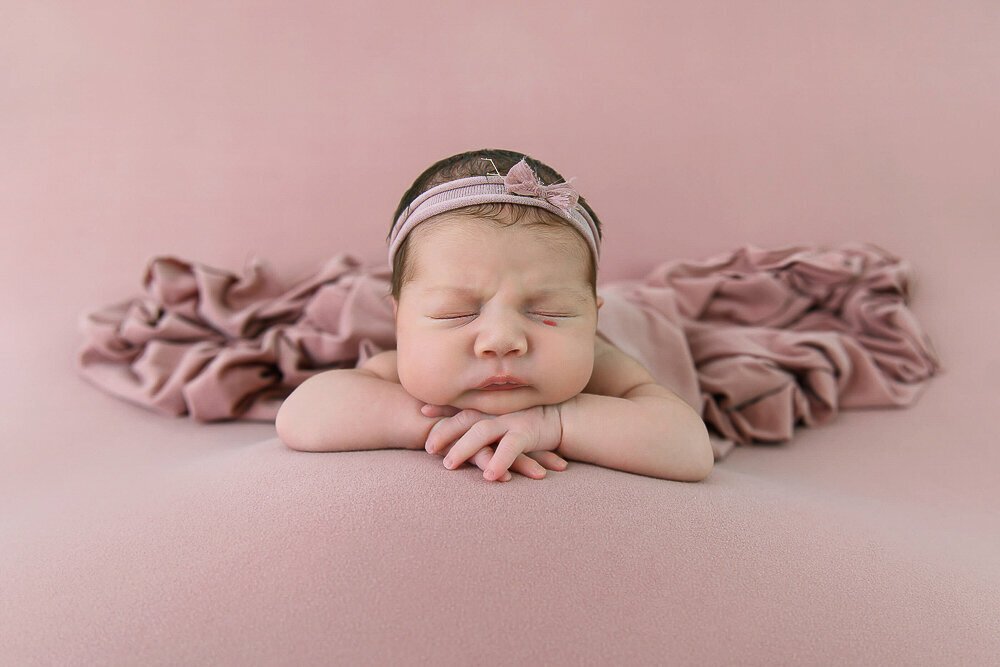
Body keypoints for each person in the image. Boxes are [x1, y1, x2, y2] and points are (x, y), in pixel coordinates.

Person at [275, 149, 713, 482]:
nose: (502, 340)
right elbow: (301, 415)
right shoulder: (403, 370)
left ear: (593, 320)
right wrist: (443, 425)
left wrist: (555, 422)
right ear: (399, 321)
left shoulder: (604, 367)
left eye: (550, 311)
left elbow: (690, 447)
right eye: (455, 313)